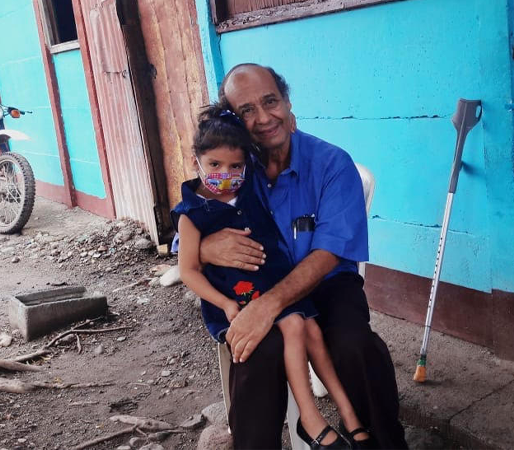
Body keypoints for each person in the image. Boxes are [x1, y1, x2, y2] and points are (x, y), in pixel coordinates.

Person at [197, 63, 408, 449]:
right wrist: (204, 247)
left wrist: (269, 306)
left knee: (353, 345)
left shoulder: (331, 164)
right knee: (256, 350)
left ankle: (382, 442)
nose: (263, 119)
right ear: (233, 120)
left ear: (287, 101)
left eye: (270, 102)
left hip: (325, 283)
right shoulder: (232, 166)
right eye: (247, 110)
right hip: (257, 283)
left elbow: (329, 253)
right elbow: (192, 219)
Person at [173, 104, 370, 449]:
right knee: (293, 326)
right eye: (215, 165)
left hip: (274, 282)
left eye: (235, 166)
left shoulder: (251, 187)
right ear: (196, 162)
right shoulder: (192, 212)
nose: (226, 174)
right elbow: (186, 266)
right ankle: (312, 422)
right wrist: (224, 301)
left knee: (310, 329)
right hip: (236, 296)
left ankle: (349, 416)